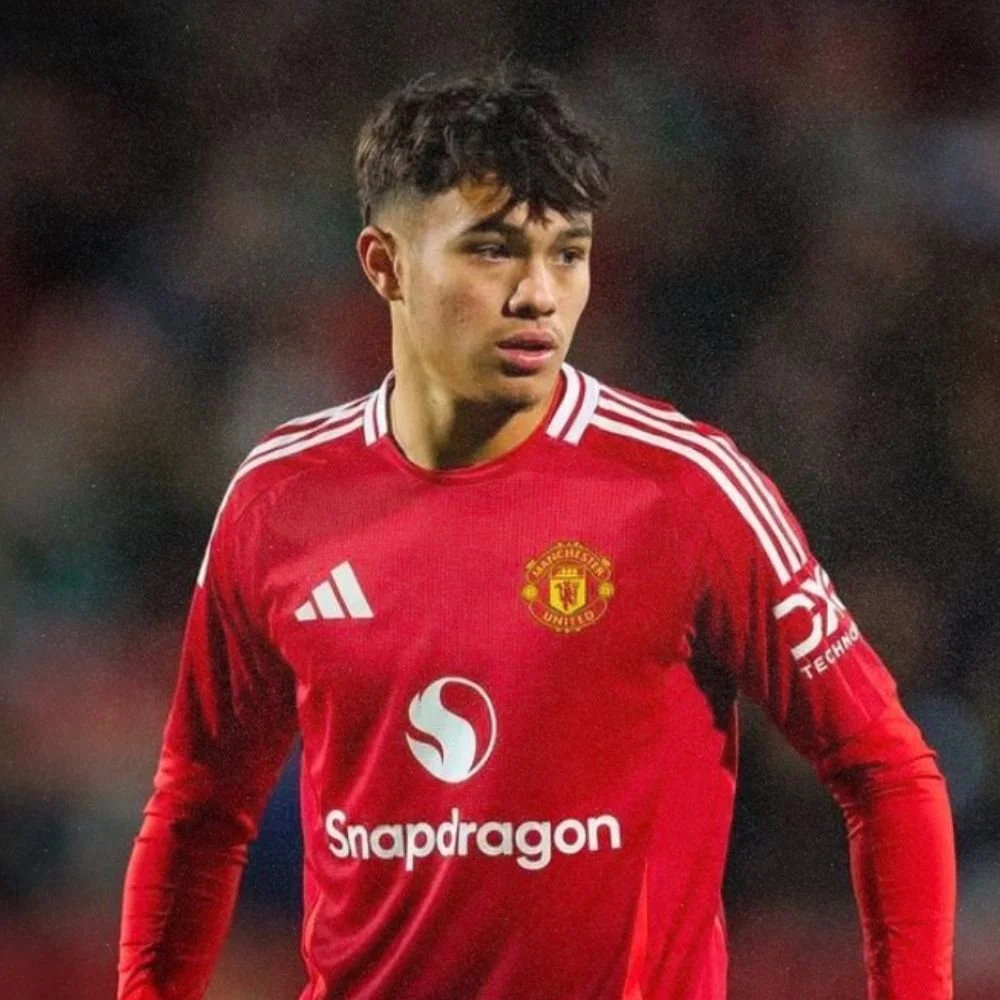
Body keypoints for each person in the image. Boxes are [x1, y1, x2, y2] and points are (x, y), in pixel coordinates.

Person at [118, 65, 956, 1000]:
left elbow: (885, 770)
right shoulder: (278, 499)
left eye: (569, 252)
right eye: (491, 249)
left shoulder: (685, 489)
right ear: (383, 264)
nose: (539, 295)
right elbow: (200, 812)